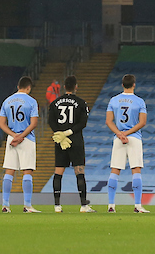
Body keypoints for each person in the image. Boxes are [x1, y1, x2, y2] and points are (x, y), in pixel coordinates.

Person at [105, 73, 149, 213]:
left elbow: (108, 121)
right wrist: (127, 134)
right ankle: (137, 205)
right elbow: (142, 122)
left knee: (115, 170)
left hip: (118, 138)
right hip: (134, 138)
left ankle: (111, 205)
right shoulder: (139, 101)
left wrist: (119, 133)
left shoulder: (114, 100)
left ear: (122, 85)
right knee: (136, 170)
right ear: (134, 84)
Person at [49, 74, 92, 213]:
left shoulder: (55, 103)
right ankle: (84, 206)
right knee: (79, 171)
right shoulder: (81, 103)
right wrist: (68, 133)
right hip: (76, 141)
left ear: (64, 87)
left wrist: (60, 134)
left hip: (60, 141)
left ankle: (57, 205)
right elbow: (82, 123)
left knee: (58, 172)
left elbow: (50, 121)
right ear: (76, 87)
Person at [0, 76, 41, 213]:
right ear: (29, 87)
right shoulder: (32, 101)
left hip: (12, 139)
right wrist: (21, 136)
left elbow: (1, 123)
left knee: (9, 171)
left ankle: (5, 205)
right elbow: (34, 123)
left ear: (18, 86)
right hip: (26, 139)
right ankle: (27, 205)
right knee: (27, 171)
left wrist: (13, 136)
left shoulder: (7, 100)